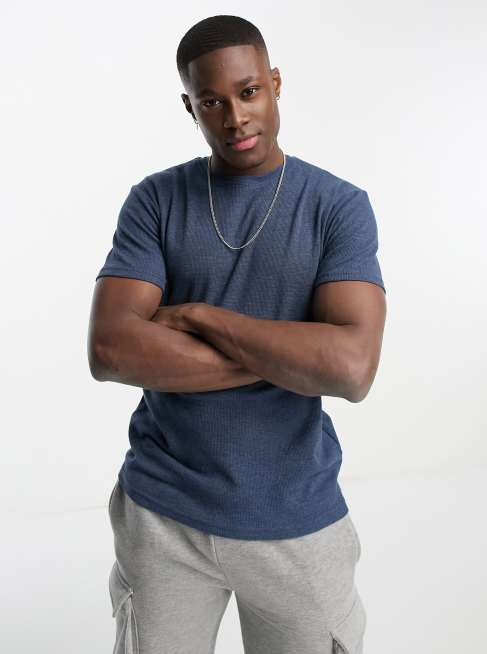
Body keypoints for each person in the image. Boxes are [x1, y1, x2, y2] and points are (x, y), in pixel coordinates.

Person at [88, 14, 387, 654]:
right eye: (211, 102)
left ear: (274, 83)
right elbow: (110, 349)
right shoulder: (156, 200)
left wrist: (199, 316)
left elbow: (351, 369)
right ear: (189, 107)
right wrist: (295, 351)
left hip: (294, 518)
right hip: (163, 516)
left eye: (248, 92)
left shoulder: (337, 206)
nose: (234, 117)